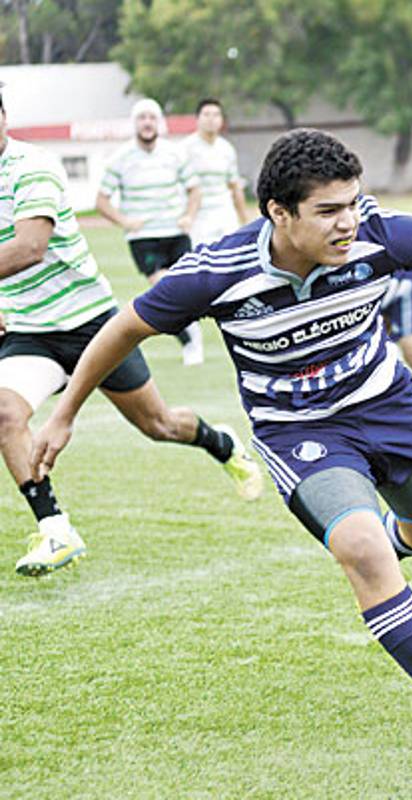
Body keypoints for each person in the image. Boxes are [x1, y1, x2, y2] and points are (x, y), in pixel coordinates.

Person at [33, 128, 412, 768]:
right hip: (299, 431)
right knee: (362, 547)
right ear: (278, 214)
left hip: (388, 407)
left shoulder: (379, 233)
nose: (348, 223)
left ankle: (375, 550)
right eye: (328, 211)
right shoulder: (215, 272)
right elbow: (122, 329)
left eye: (353, 204)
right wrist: (64, 414)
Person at [0, 88, 262, 577]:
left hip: (92, 325)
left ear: (4, 116)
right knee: (4, 412)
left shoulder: (29, 167)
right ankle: (55, 527)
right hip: (30, 329)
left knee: (158, 425)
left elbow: (30, 246)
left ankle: (220, 443)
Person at [96, 98, 205, 365]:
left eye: (152, 118)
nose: (147, 123)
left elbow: (194, 188)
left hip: (175, 232)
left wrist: (189, 216)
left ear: (159, 123)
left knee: (184, 288)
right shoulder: (120, 158)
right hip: (143, 237)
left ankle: (190, 333)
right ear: (135, 124)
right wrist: (124, 221)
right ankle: (189, 339)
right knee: (164, 287)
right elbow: (101, 201)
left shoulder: (175, 153)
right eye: (142, 118)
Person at [183, 98, 253, 245]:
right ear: (197, 119)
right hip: (198, 217)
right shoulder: (185, 149)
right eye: (206, 114)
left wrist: (245, 219)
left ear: (221, 120)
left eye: (216, 115)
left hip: (224, 212)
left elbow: (234, 186)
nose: (211, 119)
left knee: (229, 259)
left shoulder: (226, 149)